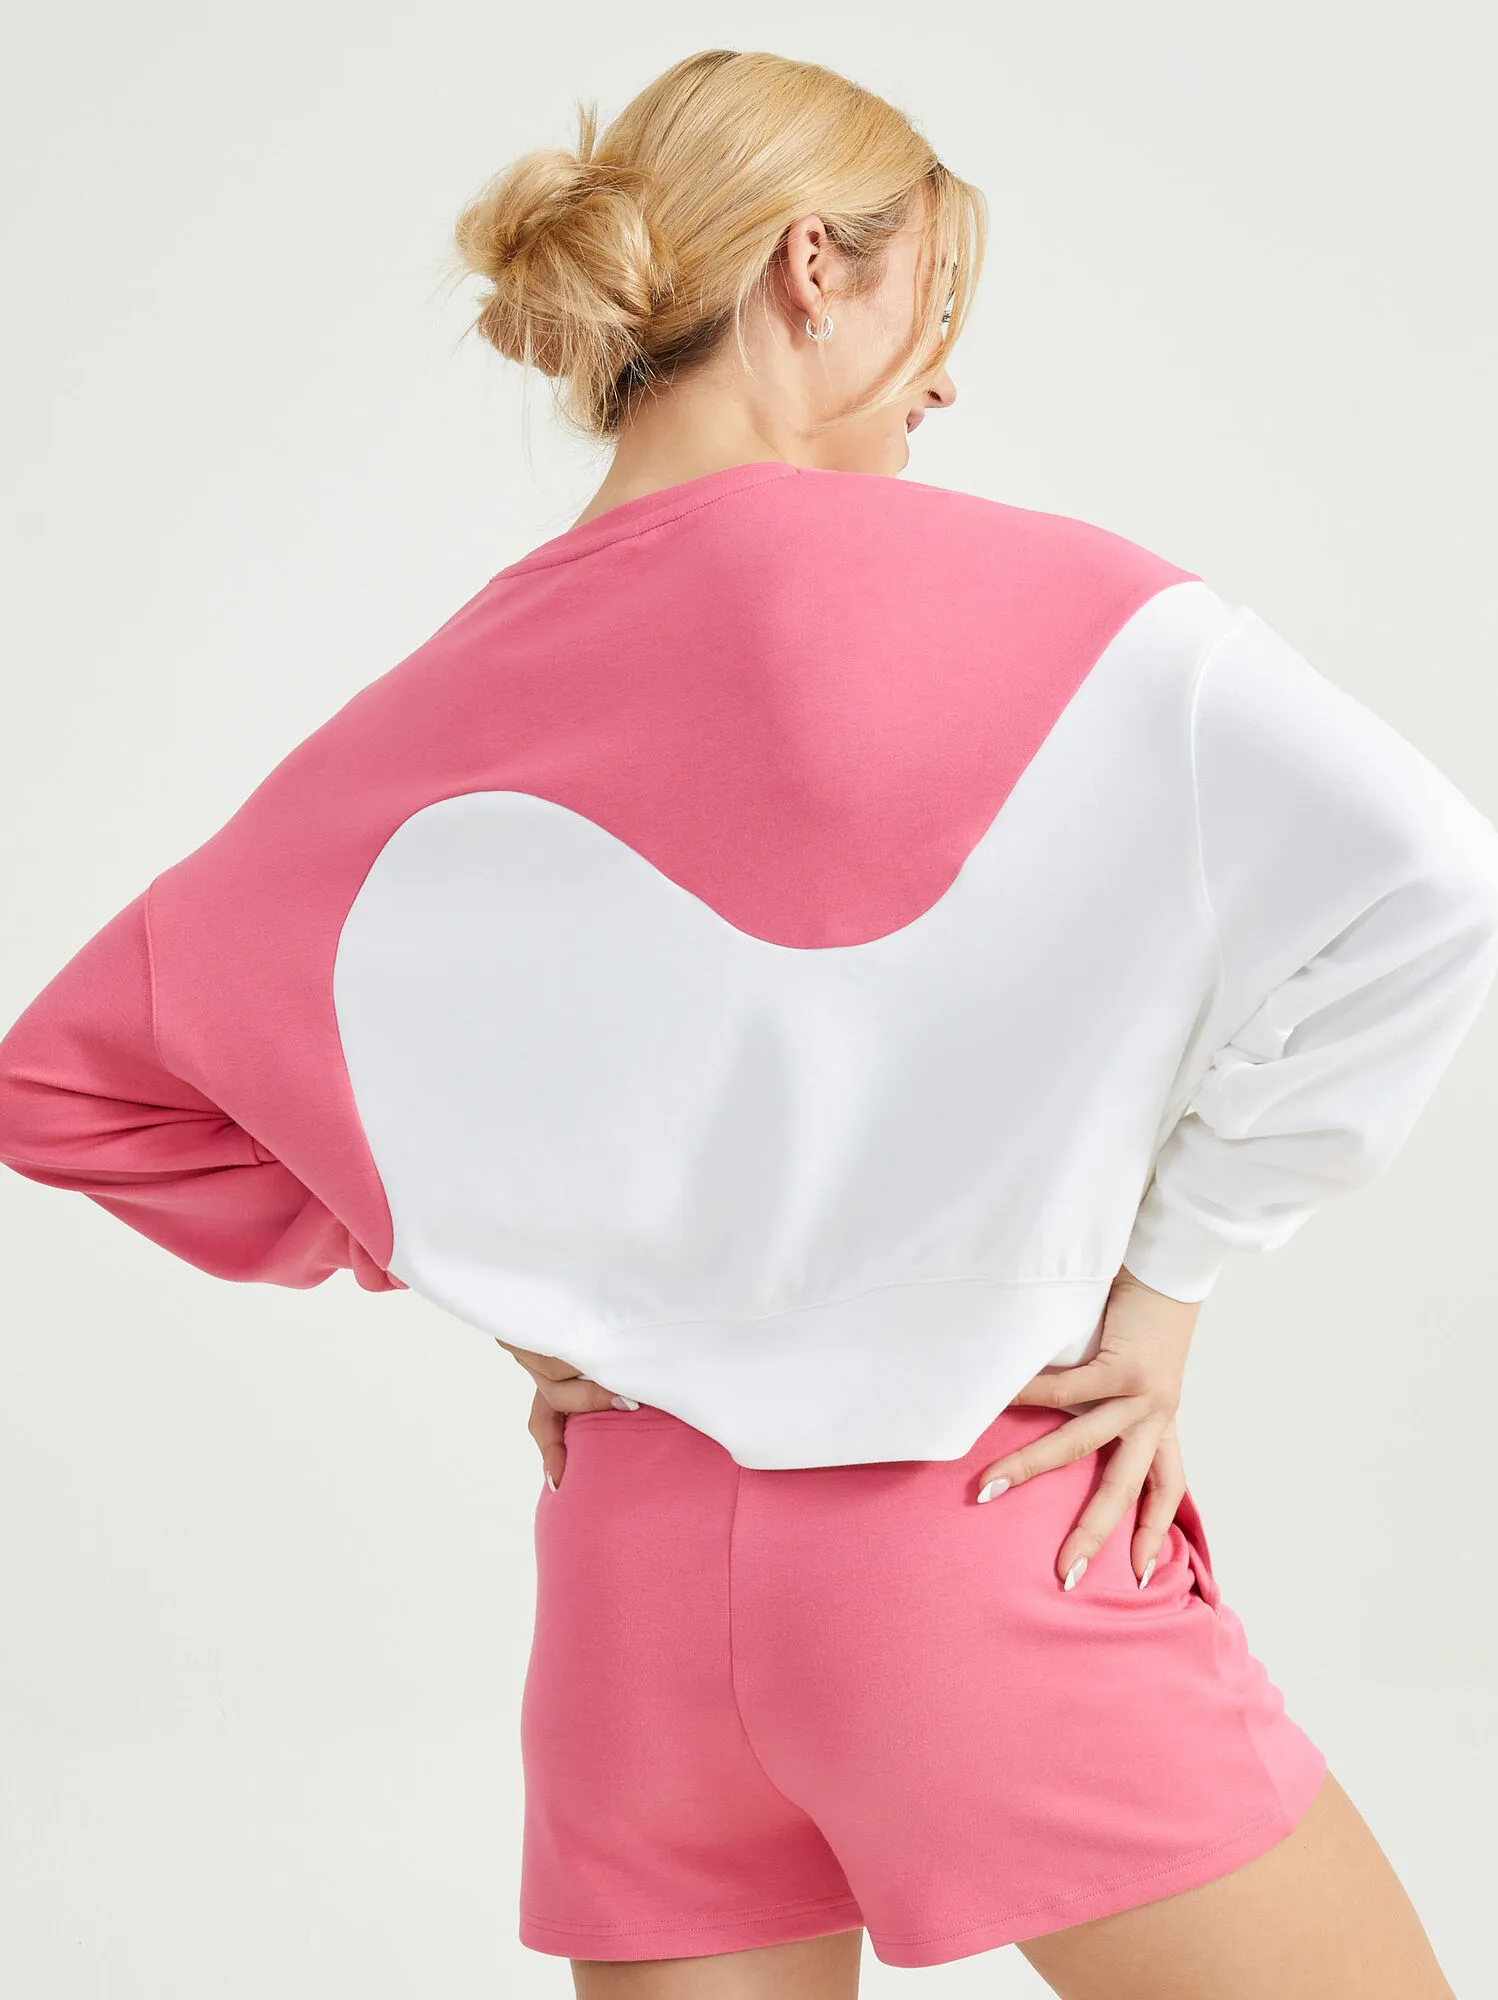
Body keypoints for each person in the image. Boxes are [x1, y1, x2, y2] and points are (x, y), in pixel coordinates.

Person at [1, 46, 1494, 2000]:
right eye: (934, 305)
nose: (943, 384)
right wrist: (1170, 1286)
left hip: (629, 1595)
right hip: (973, 1537)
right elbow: (1429, 880)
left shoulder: (437, 699)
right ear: (812, 266)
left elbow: (66, 1085)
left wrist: (524, 1282)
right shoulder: (1078, 611)